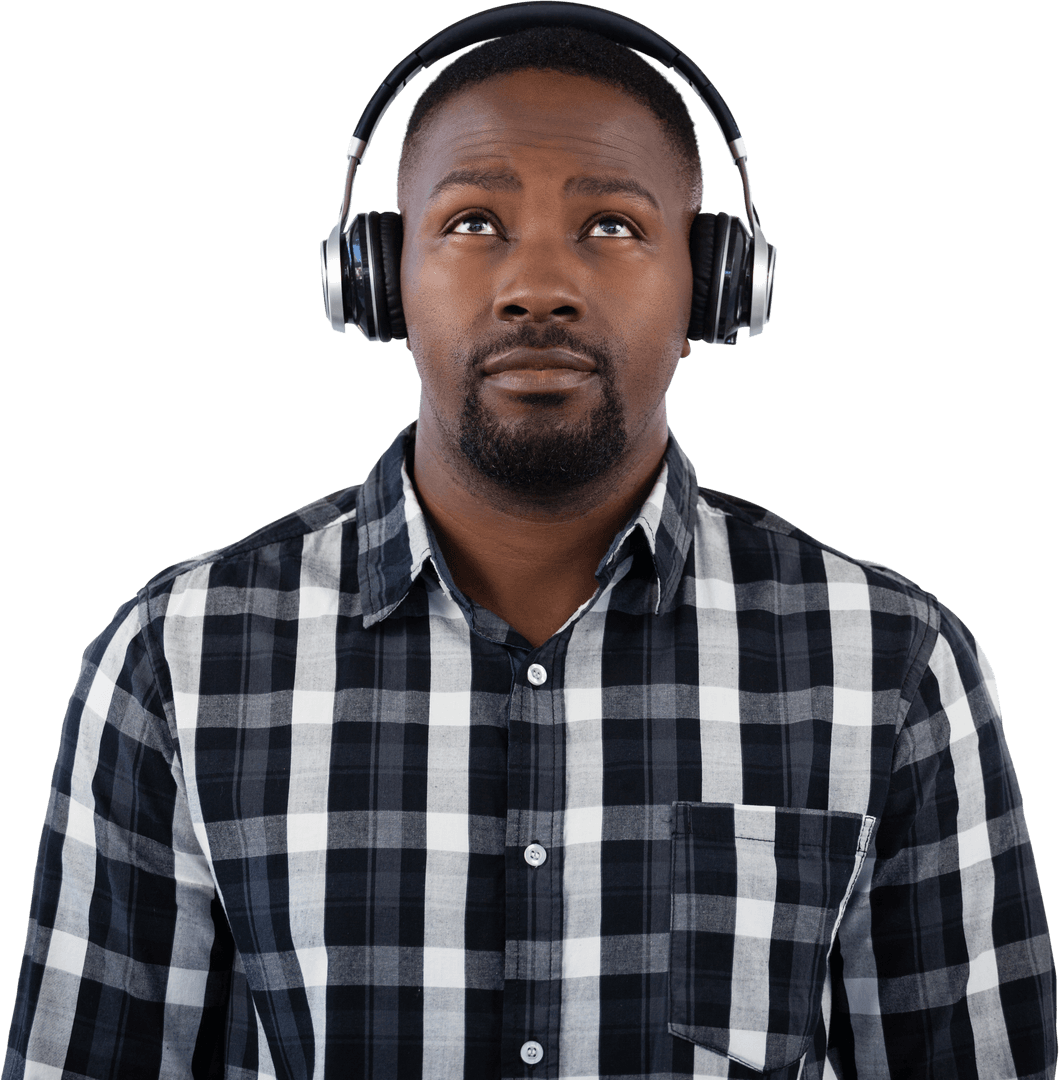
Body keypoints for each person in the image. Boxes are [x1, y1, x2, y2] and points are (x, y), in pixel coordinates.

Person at [4, 13, 1055, 1080]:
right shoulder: (176, 658)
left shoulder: (891, 662)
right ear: (374, 281)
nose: (538, 286)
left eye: (610, 225)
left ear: (714, 288)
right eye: (472, 222)